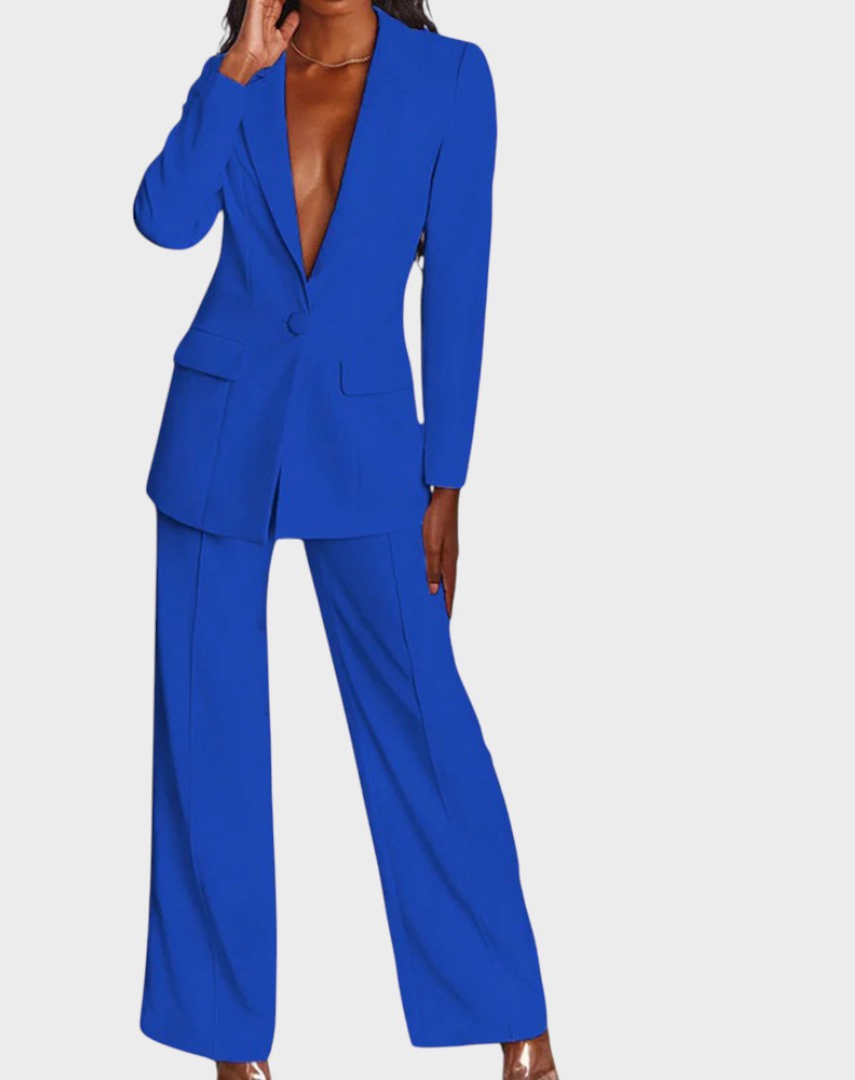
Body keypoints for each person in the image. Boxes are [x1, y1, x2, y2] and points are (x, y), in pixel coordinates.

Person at [132, 3, 559, 1077]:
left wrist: (447, 478)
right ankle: (228, 1043)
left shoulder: (450, 79)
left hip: (368, 444)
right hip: (218, 435)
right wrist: (233, 74)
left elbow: (458, 283)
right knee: (207, 739)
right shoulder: (241, 71)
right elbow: (164, 221)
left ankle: (513, 1014)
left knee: (426, 723)